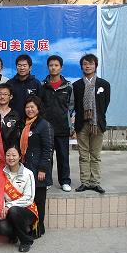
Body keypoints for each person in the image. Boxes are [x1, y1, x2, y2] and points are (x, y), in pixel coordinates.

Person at [73, 54, 110, 194]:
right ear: (82, 66)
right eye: (84, 64)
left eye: (90, 64)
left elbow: (105, 104)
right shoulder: (76, 85)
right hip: (82, 124)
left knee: (95, 155)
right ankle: (85, 182)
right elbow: (75, 105)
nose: (87, 66)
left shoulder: (104, 84)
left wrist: (96, 117)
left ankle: (95, 183)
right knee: (83, 155)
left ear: (96, 65)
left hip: (97, 124)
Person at [0, 146, 38, 253]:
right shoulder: (1, 173)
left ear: (20, 157)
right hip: (9, 211)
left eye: (14, 155)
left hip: (27, 210)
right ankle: (15, 234)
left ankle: (26, 241)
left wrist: (9, 206)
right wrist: (3, 207)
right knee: (2, 227)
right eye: (8, 155)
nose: (11, 158)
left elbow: (29, 198)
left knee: (14, 210)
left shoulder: (28, 173)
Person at [20, 96, 53, 237]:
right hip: (27, 168)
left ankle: (39, 228)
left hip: (39, 170)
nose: (30, 109)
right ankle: (29, 226)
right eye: (27, 107)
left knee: (39, 201)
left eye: (33, 107)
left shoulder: (43, 125)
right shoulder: (25, 124)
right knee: (29, 200)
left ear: (38, 109)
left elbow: (48, 149)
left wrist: (43, 169)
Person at [41, 55, 74, 192]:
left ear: (61, 67)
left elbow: (71, 106)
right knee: (47, 156)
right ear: (48, 67)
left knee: (63, 155)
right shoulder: (42, 86)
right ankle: (47, 180)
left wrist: (69, 122)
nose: (53, 67)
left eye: (56, 65)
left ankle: (65, 181)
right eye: (51, 65)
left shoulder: (68, 86)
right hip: (46, 128)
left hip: (62, 127)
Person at [0, 83, 21, 151]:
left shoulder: (16, 115)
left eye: (5, 94)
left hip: (10, 152)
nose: (2, 97)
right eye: (0, 94)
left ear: (11, 97)